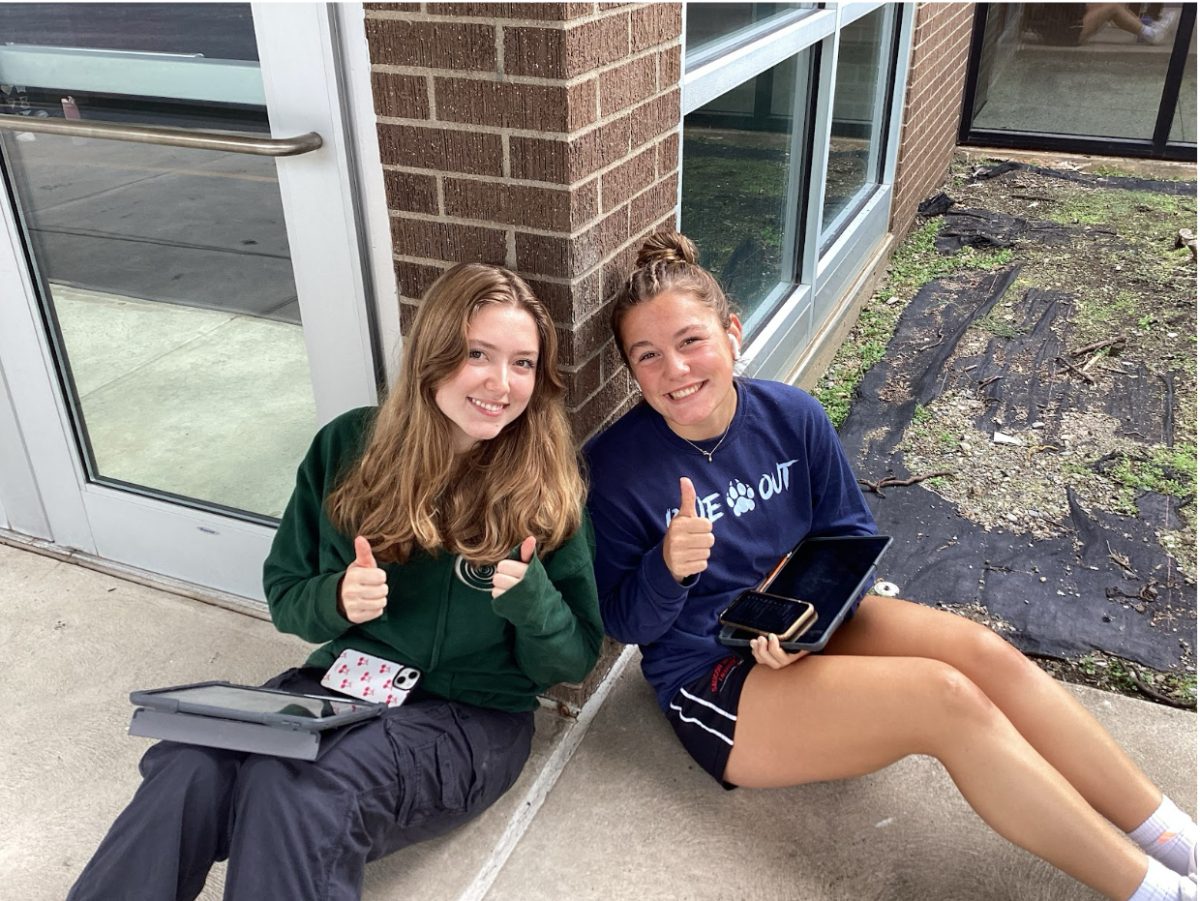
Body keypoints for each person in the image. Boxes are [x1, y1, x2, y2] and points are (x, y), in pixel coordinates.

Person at [584, 230, 1197, 901]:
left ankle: (1172, 836)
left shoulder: (791, 415)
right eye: (648, 356)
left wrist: (805, 614)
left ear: (732, 333)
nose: (674, 369)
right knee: (946, 700)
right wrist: (667, 568)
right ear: (632, 372)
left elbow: (848, 534)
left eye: (691, 340)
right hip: (714, 673)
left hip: (807, 618)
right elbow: (625, 621)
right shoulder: (616, 467)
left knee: (981, 652)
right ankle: (1158, 893)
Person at [69, 263, 603, 900]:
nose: (500, 383)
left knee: (298, 785)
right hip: (336, 689)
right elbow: (288, 599)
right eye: (477, 354)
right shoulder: (350, 447)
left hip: (470, 719)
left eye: (522, 363)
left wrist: (533, 603)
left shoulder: (546, 481)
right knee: (192, 761)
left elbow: (571, 660)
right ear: (433, 356)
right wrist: (337, 599)